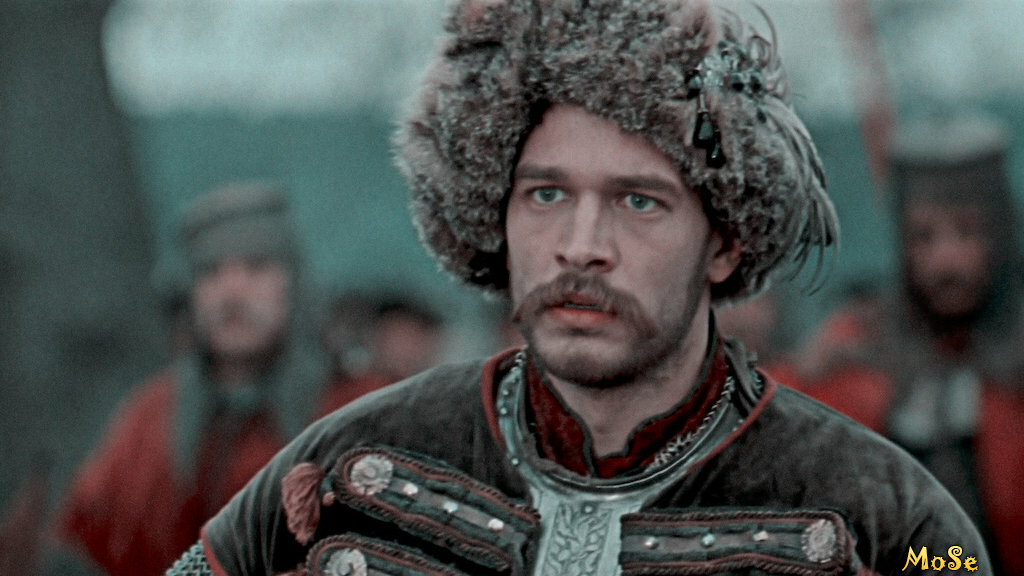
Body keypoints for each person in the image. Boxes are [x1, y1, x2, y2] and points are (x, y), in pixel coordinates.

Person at [167, 3, 990, 575]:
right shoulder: (356, 456)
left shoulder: (893, 517)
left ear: (722, 244)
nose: (581, 247)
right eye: (547, 194)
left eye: (639, 202)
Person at [58, 182, 346, 576]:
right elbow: (85, 540)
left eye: (255, 267)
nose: (232, 291)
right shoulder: (148, 418)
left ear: (292, 284)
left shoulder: (352, 410)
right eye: (211, 272)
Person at [786, 112, 1024, 575]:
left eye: (967, 231)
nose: (946, 260)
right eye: (924, 237)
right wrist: (804, 373)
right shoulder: (859, 342)